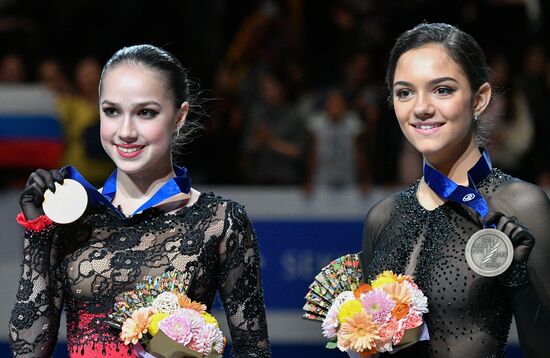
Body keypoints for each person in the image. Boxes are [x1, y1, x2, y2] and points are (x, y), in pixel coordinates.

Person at [9, 44, 271, 358]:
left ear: (179, 116)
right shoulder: (72, 219)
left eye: (146, 112)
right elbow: (28, 350)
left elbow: (253, 350)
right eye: (112, 111)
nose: (126, 131)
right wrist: (38, 233)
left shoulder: (220, 220)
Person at [359, 23, 550, 357]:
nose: (421, 108)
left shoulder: (521, 205)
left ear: (480, 99)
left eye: (442, 90)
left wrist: (519, 281)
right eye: (405, 92)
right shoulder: (382, 217)